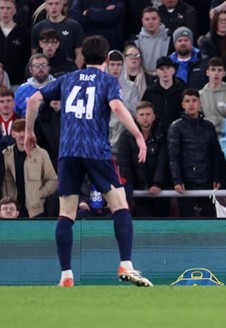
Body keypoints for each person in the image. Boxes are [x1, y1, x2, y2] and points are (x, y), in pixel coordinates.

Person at [24, 35, 152, 288]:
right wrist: (138, 135)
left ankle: (66, 275)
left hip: (68, 151)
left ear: (83, 58)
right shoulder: (108, 80)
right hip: (96, 150)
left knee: (66, 213)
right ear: (106, 59)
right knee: (119, 205)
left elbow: (32, 100)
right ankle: (126, 264)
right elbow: (116, 107)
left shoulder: (67, 79)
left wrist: (29, 132)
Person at [168, 88, 226, 217]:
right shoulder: (176, 127)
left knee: (210, 218)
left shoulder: (208, 126)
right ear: (183, 104)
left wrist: (217, 177)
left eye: (194, 100)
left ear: (200, 103)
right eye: (187, 101)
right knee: (187, 222)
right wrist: (177, 180)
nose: (191, 104)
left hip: (207, 181)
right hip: (186, 183)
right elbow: (173, 156)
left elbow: (215, 154)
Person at [118, 101, 170, 218]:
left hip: (161, 190)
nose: (145, 118)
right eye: (141, 115)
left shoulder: (163, 134)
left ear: (154, 116)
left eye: (148, 114)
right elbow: (125, 164)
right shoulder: (126, 136)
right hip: (138, 190)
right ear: (136, 118)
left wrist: (158, 184)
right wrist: (129, 190)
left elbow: (163, 161)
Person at [3, 119, 58, 218]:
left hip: (35, 211)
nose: (22, 134)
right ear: (13, 134)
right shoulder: (5, 155)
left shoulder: (41, 154)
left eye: (25, 131)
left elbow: (53, 180)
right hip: (12, 211)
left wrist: (39, 194)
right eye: (19, 131)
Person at [31, 0, 85, 68]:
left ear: (62, 5)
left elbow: (80, 54)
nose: (54, 7)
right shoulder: (38, 28)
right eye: (50, 4)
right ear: (45, 6)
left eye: (57, 3)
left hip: (67, 72)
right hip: (45, 74)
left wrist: (73, 74)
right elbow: (34, 55)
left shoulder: (74, 26)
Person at [142, 56, 186, 129]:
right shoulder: (150, 92)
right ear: (157, 72)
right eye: (161, 69)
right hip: (156, 132)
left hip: (179, 131)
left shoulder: (182, 90)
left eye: (168, 68)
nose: (165, 72)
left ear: (173, 70)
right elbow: (144, 110)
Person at [198, 57, 226, 134]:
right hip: (204, 136)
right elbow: (197, 120)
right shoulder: (199, 95)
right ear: (207, 72)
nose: (216, 73)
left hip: (225, 136)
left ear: (224, 73)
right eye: (213, 69)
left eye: (219, 70)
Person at [0, 0, 31, 88]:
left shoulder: (24, 33)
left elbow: (28, 58)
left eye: (8, 8)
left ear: (14, 11)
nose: (5, 11)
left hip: (18, 83)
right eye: (1, 8)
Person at [133, 7, 170, 72]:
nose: (150, 22)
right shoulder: (136, 41)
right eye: (147, 19)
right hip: (143, 77)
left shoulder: (170, 37)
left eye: (154, 18)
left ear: (159, 19)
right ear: (142, 21)